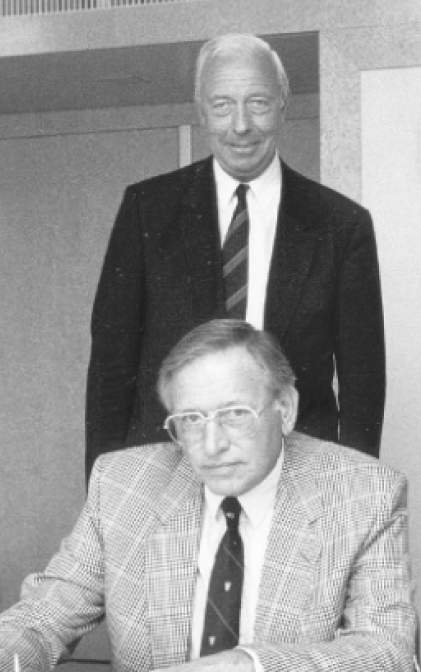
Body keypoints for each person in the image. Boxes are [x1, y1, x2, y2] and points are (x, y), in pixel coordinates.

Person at [0, 320, 415, 672]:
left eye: (234, 414)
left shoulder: (362, 492)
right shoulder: (124, 483)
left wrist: (239, 668)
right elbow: (44, 615)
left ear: (285, 409)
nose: (211, 445)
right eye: (190, 420)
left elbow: (386, 655)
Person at [86, 33, 385, 478]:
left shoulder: (341, 225)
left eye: (258, 102)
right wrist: (103, 490)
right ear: (201, 111)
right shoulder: (147, 210)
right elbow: (112, 367)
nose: (240, 124)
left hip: (295, 471)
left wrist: (354, 488)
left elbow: (363, 383)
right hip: (170, 469)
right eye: (223, 105)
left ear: (284, 105)